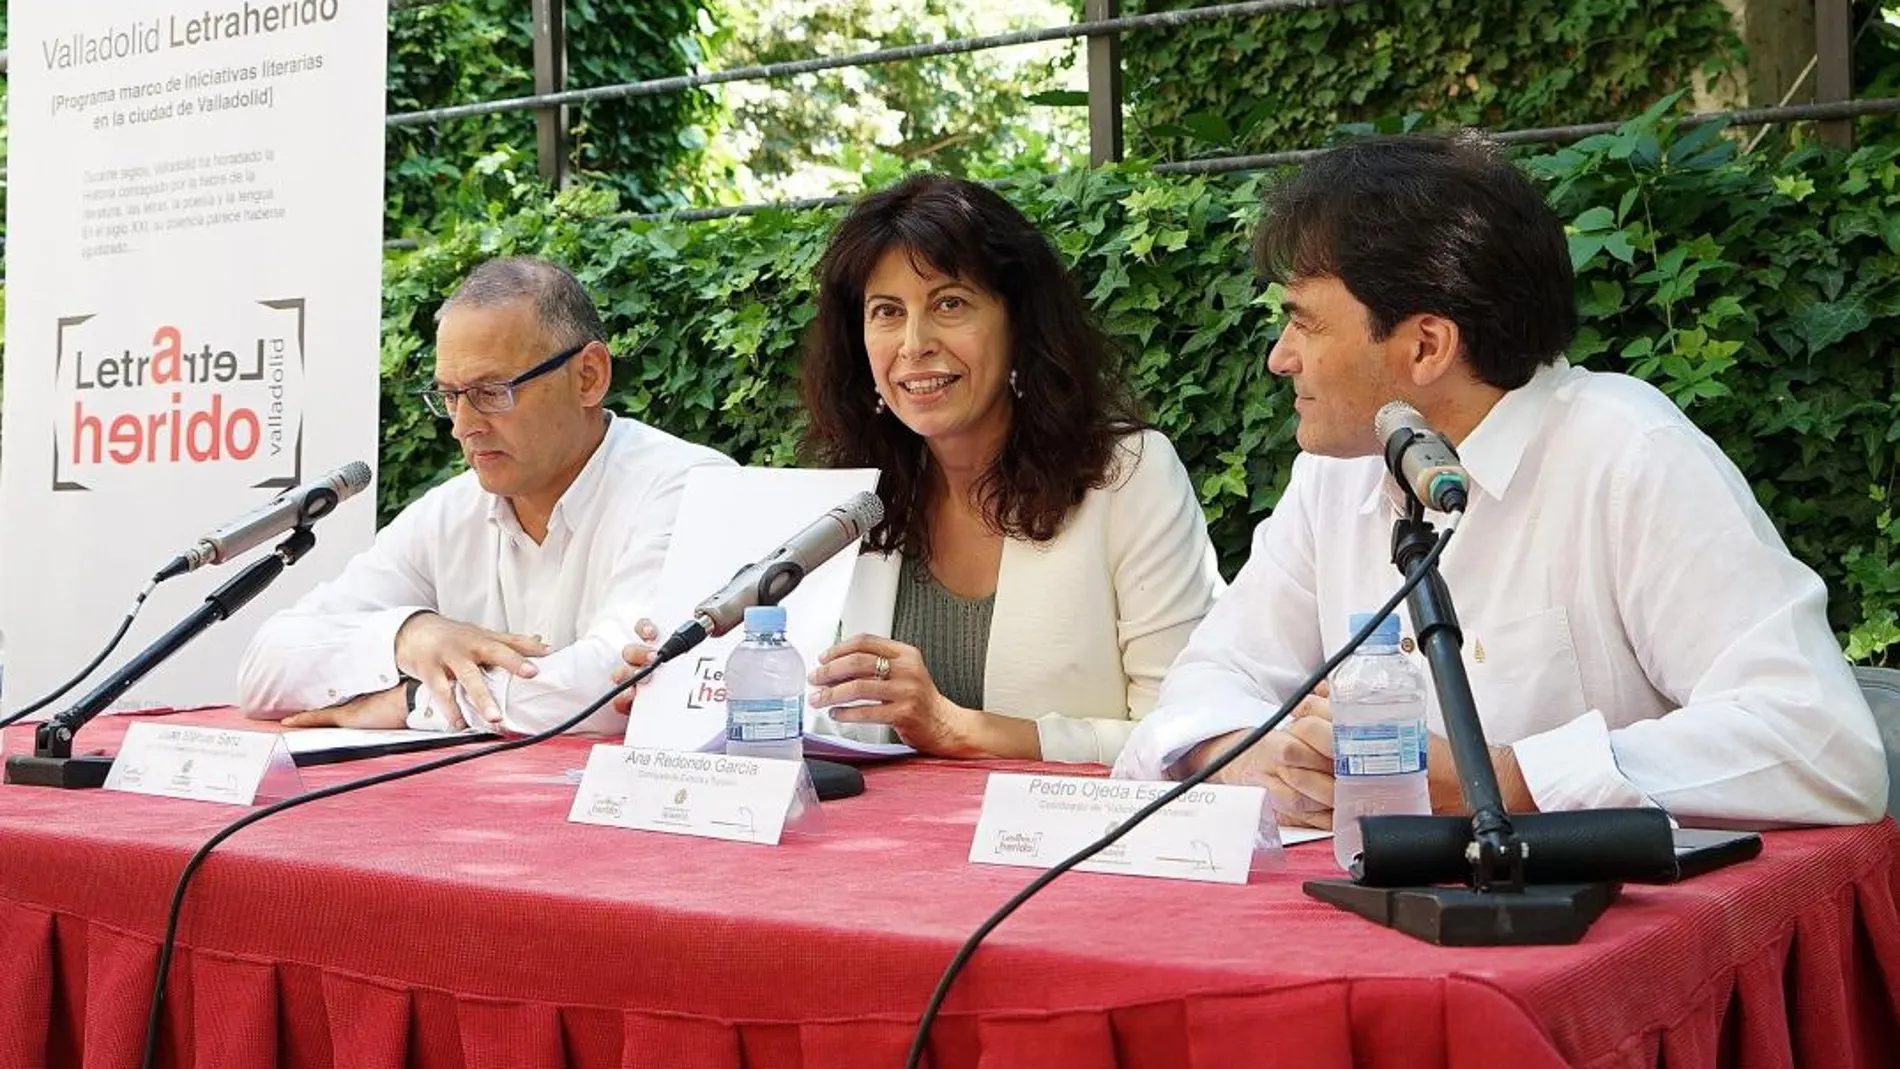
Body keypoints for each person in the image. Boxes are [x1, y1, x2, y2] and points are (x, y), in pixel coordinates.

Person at [1114, 134, 1888, 828]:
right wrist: (1263, 757)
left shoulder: (1627, 451)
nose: (1281, 357)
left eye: (1305, 323)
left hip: (1588, 957)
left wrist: (1502, 780)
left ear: (1426, 345)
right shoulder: (1334, 471)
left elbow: (1820, 744)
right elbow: (1210, 680)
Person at [781, 173, 1221, 765]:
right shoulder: (852, 499)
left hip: (1074, 846)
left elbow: (1188, 737)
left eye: (950, 304)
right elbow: (817, 715)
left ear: (1021, 324)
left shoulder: (1127, 476)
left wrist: (957, 728)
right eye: (886, 312)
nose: (914, 344)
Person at [237, 256, 731, 735]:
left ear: (589, 376)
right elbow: (264, 669)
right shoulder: (447, 512)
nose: (463, 426)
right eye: (449, 396)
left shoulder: (688, 488)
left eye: (492, 391)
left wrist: (410, 701)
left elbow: (611, 688)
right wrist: (407, 636)